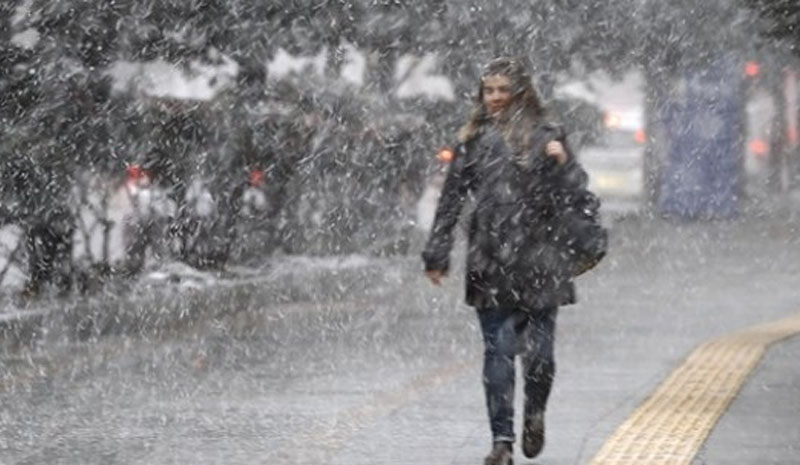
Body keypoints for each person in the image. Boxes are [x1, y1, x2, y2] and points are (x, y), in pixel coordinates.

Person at [422, 57, 595, 465]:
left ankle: (534, 412)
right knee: (497, 351)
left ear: (521, 92)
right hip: (490, 258)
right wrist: (437, 251)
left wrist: (562, 162)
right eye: (489, 91)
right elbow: (450, 200)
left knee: (540, 355)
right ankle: (502, 441)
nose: (495, 98)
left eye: (503, 90)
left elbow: (577, 193)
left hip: (541, 258)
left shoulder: (549, 135)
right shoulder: (472, 141)